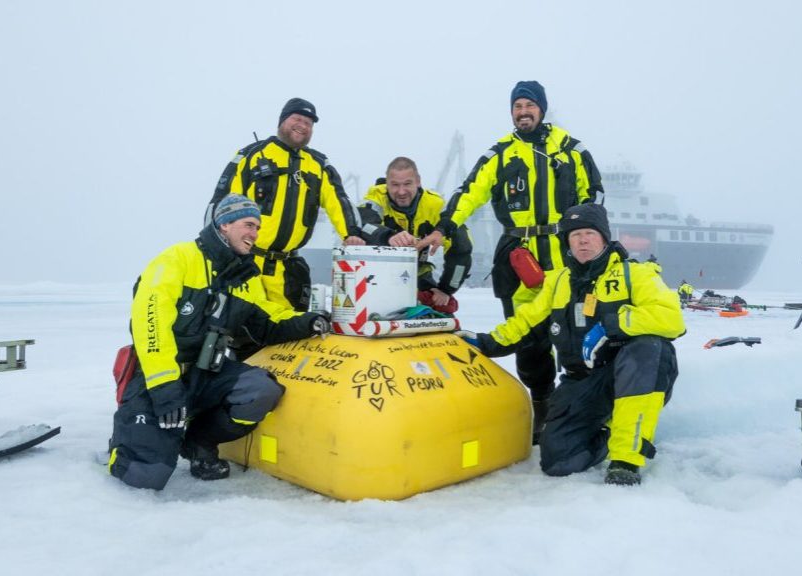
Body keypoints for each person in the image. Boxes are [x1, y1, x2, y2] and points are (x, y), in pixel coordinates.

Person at [417, 80, 603, 441]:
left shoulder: (571, 150)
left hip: (564, 261)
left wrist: (586, 242)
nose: (523, 112)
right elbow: (468, 193)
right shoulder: (500, 154)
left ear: (541, 109)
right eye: (517, 106)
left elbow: (593, 195)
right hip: (517, 260)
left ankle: (583, 407)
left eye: (529, 106)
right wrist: (443, 228)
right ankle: (542, 406)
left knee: (575, 333)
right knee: (528, 339)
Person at [108, 195, 331, 491]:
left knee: (260, 390)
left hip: (206, 373)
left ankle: (199, 440)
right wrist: (164, 387)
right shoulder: (177, 259)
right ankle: (122, 446)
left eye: (257, 227)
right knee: (146, 476)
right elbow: (150, 324)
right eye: (248, 224)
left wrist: (308, 322)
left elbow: (267, 320)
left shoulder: (245, 277)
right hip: (158, 376)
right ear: (224, 224)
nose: (255, 233)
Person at [456, 203, 684, 485]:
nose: (583, 240)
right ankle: (610, 430)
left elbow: (672, 319)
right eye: (575, 235)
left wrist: (610, 325)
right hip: (582, 382)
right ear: (567, 241)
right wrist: (484, 342)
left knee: (649, 347)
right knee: (558, 462)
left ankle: (626, 458)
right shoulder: (558, 281)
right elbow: (525, 322)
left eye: (589, 233)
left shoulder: (635, 275)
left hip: (628, 375)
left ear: (604, 237)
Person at [208, 97, 365, 312]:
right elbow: (222, 202)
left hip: (288, 271)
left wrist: (351, 234)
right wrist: (217, 250)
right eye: (297, 118)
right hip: (247, 263)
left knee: (289, 336)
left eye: (309, 123)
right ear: (282, 120)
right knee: (240, 334)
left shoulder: (319, 165)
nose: (302, 126)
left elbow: (339, 200)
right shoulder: (252, 156)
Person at [358, 157, 472, 312]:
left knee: (443, 310)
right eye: (395, 185)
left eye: (407, 184)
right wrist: (388, 236)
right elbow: (364, 225)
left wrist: (446, 289)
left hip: (419, 275)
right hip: (377, 277)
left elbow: (462, 249)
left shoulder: (436, 205)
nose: (401, 191)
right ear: (387, 184)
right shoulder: (376, 198)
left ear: (418, 181)